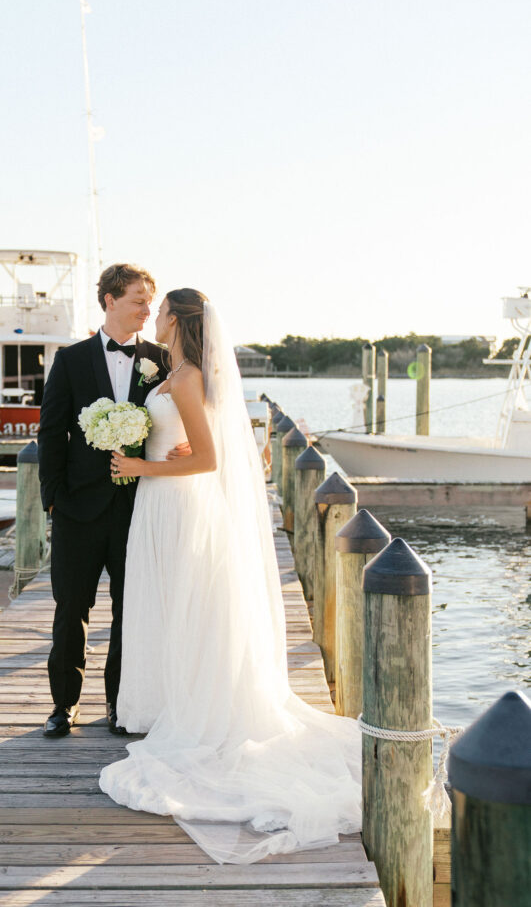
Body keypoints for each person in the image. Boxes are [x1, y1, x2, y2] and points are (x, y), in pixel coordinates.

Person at [100, 289, 362, 863]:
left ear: (178, 320)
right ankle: (171, 702)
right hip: (157, 501)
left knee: (188, 606)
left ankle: (197, 710)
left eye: (162, 308)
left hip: (177, 500)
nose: (156, 315)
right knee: (166, 606)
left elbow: (211, 459)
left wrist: (140, 464)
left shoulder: (189, 377)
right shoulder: (172, 373)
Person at [37, 264, 188, 738]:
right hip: (77, 510)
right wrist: (53, 500)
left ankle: (120, 703)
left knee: (132, 610)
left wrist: (183, 445)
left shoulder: (163, 360)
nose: (147, 309)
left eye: (150, 301)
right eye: (138, 300)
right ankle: (63, 705)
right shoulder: (71, 360)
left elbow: (185, 416)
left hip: (139, 509)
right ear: (109, 300)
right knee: (70, 609)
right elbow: (51, 433)